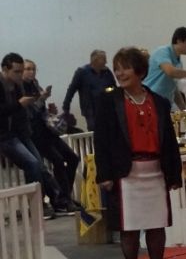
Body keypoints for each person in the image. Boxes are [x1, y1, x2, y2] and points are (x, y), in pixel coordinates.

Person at [94, 47, 183, 259]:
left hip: (155, 170)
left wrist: (174, 174)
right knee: (130, 226)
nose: (120, 73)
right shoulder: (108, 101)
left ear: (140, 71)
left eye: (125, 67)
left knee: (157, 225)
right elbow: (100, 140)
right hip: (126, 173)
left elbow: (169, 141)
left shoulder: (160, 102)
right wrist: (104, 174)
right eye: (117, 68)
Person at [0, 52, 69, 217]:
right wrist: (19, 104)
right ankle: (37, 206)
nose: (21, 74)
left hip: (22, 133)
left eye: (22, 70)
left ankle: (47, 203)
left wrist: (36, 103)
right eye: (17, 71)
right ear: (5, 69)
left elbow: (26, 111)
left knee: (39, 166)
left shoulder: (18, 85)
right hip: (5, 135)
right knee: (33, 164)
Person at [23, 59, 80, 212]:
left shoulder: (35, 84)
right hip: (36, 134)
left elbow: (39, 110)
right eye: (27, 69)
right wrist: (41, 99)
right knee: (58, 161)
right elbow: (30, 112)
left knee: (73, 158)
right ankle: (62, 200)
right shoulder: (20, 89)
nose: (31, 72)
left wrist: (45, 101)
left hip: (47, 131)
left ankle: (64, 196)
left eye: (33, 69)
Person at [143, 27, 186, 110]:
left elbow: (174, 87)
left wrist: (184, 109)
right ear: (178, 41)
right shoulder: (162, 52)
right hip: (150, 102)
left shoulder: (178, 62)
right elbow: (170, 72)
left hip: (164, 104)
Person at [61, 50, 115, 131]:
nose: (106, 62)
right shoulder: (82, 72)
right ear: (95, 61)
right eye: (103, 59)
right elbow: (71, 89)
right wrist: (66, 106)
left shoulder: (107, 72)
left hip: (107, 108)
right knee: (95, 131)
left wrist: (106, 90)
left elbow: (113, 88)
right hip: (90, 110)